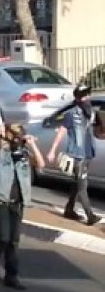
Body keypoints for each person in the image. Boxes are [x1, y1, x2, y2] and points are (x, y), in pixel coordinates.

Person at [0, 125, 45, 290]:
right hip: (1, 200)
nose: (18, 139)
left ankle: (11, 275)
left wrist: (32, 144)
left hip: (18, 202)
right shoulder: (3, 152)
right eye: (16, 136)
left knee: (13, 241)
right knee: (3, 237)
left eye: (21, 136)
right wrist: (0, 136)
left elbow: (41, 163)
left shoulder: (25, 155)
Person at [47, 84, 101, 225]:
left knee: (78, 183)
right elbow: (62, 131)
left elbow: (95, 130)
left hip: (89, 152)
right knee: (82, 184)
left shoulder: (91, 112)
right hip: (78, 154)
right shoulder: (71, 114)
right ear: (77, 98)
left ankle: (69, 209)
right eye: (83, 95)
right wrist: (53, 150)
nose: (86, 98)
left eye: (87, 94)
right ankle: (90, 215)